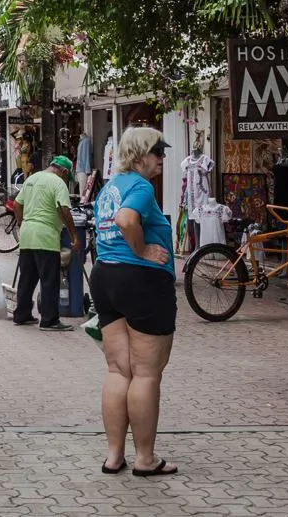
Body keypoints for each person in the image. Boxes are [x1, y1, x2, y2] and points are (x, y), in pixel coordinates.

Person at [90, 126, 177, 477]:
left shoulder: (109, 187)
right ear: (140, 154)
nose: (162, 158)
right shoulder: (140, 187)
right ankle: (145, 459)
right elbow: (127, 220)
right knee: (145, 373)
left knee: (118, 369)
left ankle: (114, 455)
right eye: (158, 151)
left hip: (106, 276)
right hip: (141, 280)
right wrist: (141, 249)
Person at [12, 156, 80, 331]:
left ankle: (22, 314)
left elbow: (17, 205)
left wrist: (22, 224)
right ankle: (49, 321)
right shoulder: (58, 183)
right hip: (46, 236)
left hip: (27, 234)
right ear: (63, 171)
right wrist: (74, 236)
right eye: (67, 176)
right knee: (49, 280)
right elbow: (63, 208)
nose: (66, 179)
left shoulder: (32, 178)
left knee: (27, 278)